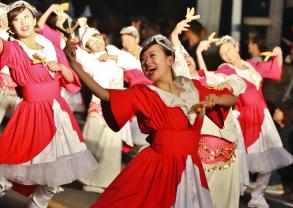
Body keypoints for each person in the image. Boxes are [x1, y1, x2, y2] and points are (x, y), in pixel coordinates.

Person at [65, 34, 237, 207]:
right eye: (143, 59)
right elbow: (104, 94)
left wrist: (216, 99)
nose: (147, 62)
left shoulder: (191, 88)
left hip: (191, 167)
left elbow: (231, 99)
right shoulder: (143, 93)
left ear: (170, 59)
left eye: (152, 56)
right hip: (158, 167)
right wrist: (74, 65)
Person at [0, 1, 97, 207]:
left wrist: (61, 67)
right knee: (18, 160)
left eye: (26, 16)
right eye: (15, 19)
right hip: (32, 113)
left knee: (57, 174)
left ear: (35, 18)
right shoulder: (12, 48)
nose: (22, 22)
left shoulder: (49, 44)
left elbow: (70, 78)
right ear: (11, 26)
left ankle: (37, 204)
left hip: (58, 112)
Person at [197, 35, 293, 208]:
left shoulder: (252, 64)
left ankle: (257, 196)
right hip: (245, 117)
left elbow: (273, 70)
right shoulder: (225, 69)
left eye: (228, 49)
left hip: (262, 116)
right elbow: (207, 79)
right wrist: (199, 53)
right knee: (238, 159)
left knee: (270, 155)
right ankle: (223, 193)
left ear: (235, 48)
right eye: (222, 52)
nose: (226, 54)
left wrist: (278, 53)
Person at [171, 18, 248, 208]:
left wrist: (229, 85)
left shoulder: (214, 76)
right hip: (201, 150)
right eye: (183, 58)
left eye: (189, 58)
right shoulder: (183, 84)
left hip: (228, 147)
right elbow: (179, 63)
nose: (186, 60)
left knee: (224, 200)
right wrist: (174, 36)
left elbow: (240, 83)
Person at [76, 25, 132, 193]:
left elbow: (131, 62)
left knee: (111, 147)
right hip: (98, 104)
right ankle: (86, 178)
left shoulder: (114, 50)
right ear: (87, 46)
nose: (97, 40)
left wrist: (112, 56)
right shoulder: (88, 59)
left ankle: (104, 181)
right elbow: (76, 53)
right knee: (92, 142)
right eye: (91, 40)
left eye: (98, 36)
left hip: (117, 104)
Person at [0, 3, 20, 126]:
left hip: (16, 79)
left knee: (18, 119)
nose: (3, 20)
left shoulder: (17, 35)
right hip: (2, 77)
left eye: (4, 17)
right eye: (0, 18)